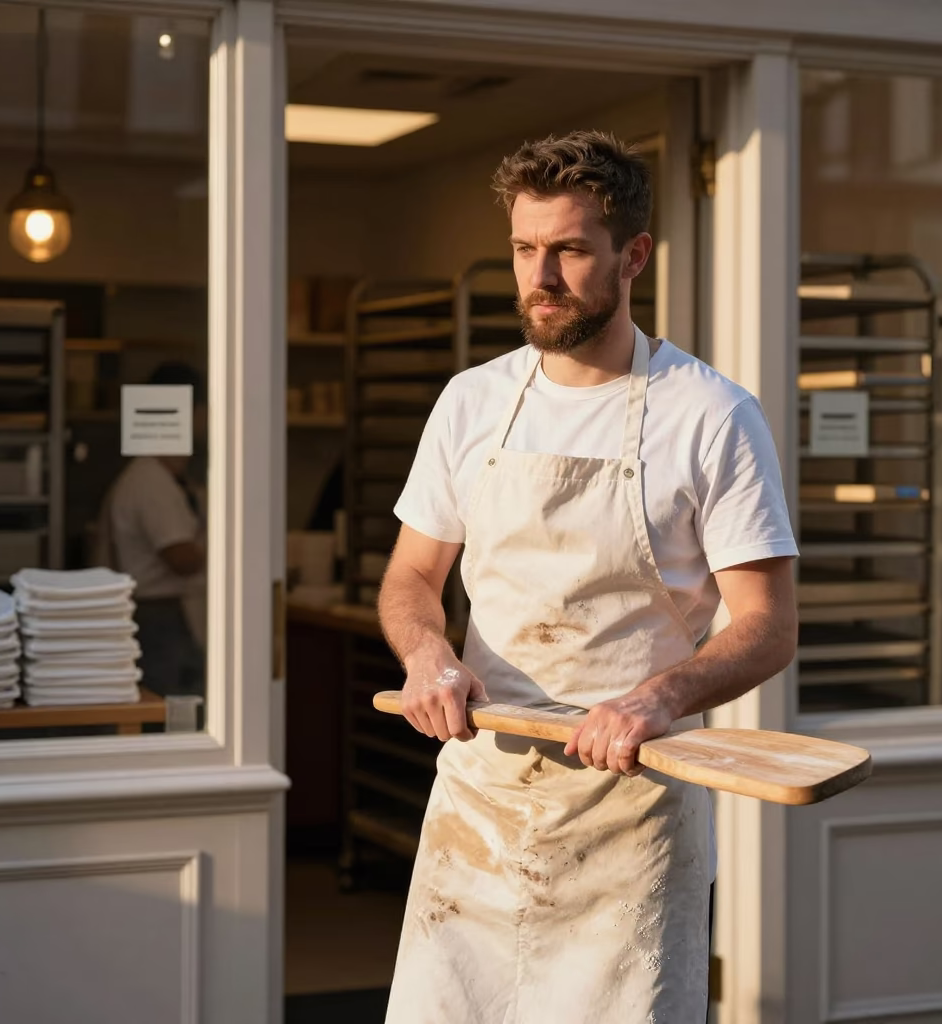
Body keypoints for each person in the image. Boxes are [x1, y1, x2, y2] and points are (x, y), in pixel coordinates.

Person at [378, 130, 798, 1023]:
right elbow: (413, 574)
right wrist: (426, 655)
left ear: (633, 255)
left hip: (630, 814)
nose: (542, 277)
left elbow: (767, 624)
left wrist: (658, 698)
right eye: (526, 250)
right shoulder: (472, 401)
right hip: (479, 803)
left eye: (569, 250)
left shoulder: (711, 415)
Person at [97, 362, 207, 699]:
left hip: (167, 618)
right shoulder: (150, 481)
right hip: (159, 620)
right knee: (168, 715)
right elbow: (181, 558)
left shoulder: (168, 479)